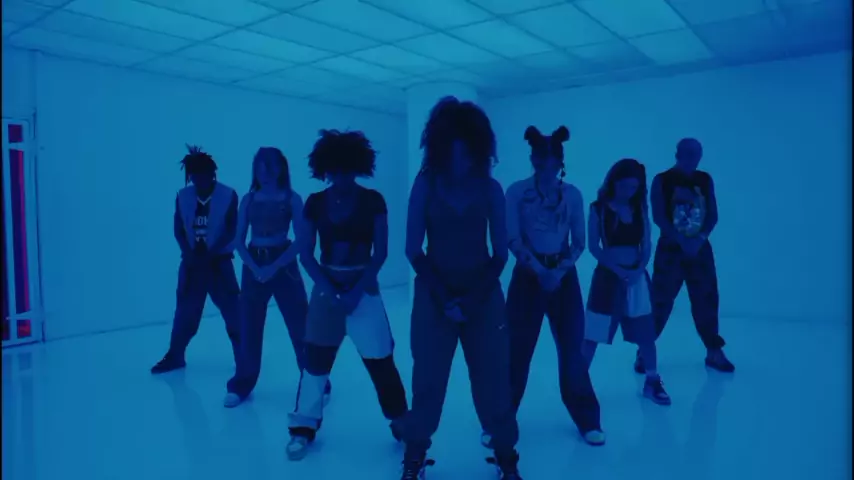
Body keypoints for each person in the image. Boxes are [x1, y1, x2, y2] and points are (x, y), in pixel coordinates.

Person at [400, 97, 522, 480]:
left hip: (482, 297)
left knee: (494, 384)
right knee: (427, 382)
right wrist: (444, 298)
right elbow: (412, 249)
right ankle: (414, 457)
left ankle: (506, 458)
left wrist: (469, 300)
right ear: (439, 149)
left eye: (467, 154)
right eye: (453, 153)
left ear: (478, 151)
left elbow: (500, 255)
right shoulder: (426, 184)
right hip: (434, 295)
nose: (460, 163)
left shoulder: (490, 189)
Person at [286, 130, 408, 460]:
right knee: (315, 362)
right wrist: (333, 293)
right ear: (326, 169)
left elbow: (380, 253)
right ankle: (303, 426)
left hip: (363, 290)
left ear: (358, 167)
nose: (341, 177)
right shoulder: (315, 203)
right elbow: (306, 255)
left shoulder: (373, 200)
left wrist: (354, 293)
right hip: (327, 291)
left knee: (381, 360)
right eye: (335, 170)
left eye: (347, 169)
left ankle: (401, 421)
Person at [500, 125, 605, 449]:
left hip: (563, 275)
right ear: (532, 159)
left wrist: (556, 272)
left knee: (572, 349)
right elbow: (512, 238)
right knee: (516, 350)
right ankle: (501, 420)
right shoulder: (516, 192)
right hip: (526, 276)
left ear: (560, 162)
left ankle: (587, 419)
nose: (545, 166)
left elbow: (579, 242)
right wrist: (538, 270)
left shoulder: (572, 195)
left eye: (551, 161)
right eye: (539, 159)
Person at [224, 147, 327, 408]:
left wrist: (275, 266)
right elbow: (238, 240)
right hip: (253, 263)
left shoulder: (292, 199)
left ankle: (315, 381)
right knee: (249, 327)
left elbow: (302, 239)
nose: (266, 172)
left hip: (284, 264)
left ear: (281, 168)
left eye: (271, 166)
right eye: (261, 166)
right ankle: (242, 383)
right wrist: (255, 267)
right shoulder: (248, 199)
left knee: (300, 324)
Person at [637, 138, 734, 373]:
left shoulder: (704, 179)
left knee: (707, 299)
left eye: (696, 154)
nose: (693, 158)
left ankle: (713, 350)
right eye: (688, 153)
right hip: (671, 250)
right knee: (660, 300)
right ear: (678, 154)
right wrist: (681, 240)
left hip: (700, 249)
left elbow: (712, 214)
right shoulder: (662, 180)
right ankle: (644, 351)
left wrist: (699, 239)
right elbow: (659, 216)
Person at [581, 158, 671, 406]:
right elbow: (594, 247)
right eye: (624, 186)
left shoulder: (639, 208)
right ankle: (579, 383)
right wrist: (617, 270)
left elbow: (646, 244)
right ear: (613, 182)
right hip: (607, 279)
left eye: (633, 187)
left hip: (636, 279)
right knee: (593, 333)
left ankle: (652, 380)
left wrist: (638, 270)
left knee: (646, 334)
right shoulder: (598, 208)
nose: (628, 192)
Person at [151, 145, 241, 374]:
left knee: (234, 312)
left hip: (219, 263)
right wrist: (189, 254)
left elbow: (232, 230)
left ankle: (244, 359)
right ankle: (175, 356)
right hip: (192, 264)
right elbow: (178, 229)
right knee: (185, 313)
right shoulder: (183, 196)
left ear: (213, 173)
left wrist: (212, 253)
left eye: (203, 174)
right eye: (194, 176)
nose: (199, 180)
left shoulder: (228, 195)